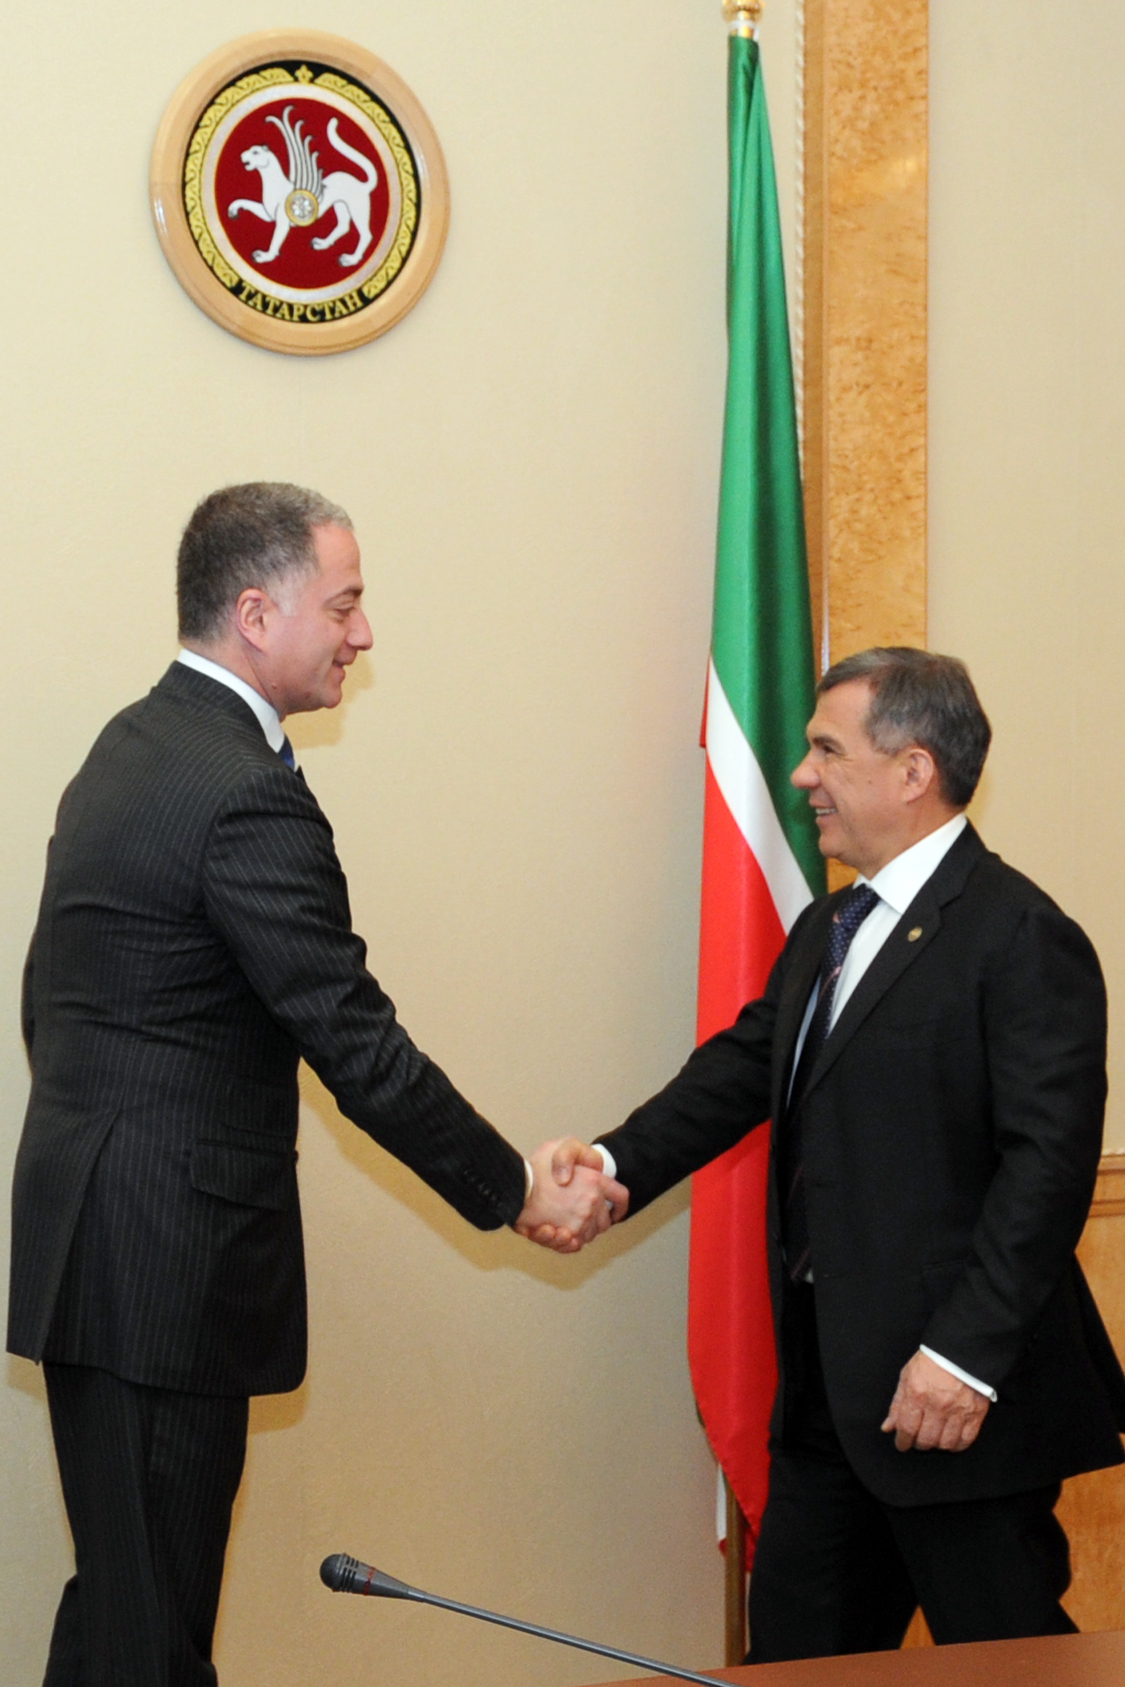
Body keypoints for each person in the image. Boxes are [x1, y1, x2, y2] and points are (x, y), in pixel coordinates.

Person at [7, 482, 624, 1687]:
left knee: (123, 1613)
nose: (364, 633)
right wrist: (512, 1186)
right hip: (165, 1269)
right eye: (343, 606)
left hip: (102, 1244)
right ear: (256, 613)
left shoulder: (132, 745)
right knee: (149, 1639)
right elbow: (353, 1040)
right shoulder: (241, 789)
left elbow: (52, 1001)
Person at [534, 647, 1125, 1658]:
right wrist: (610, 1167)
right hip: (826, 1403)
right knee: (795, 1662)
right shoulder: (831, 924)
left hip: (953, 1407)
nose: (802, 773)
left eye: (826, 750)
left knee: (1009, 1659)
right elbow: (741, 1069)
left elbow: (1048, 1168)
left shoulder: (1019, 934)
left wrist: (960, 1359)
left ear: (913, 770)